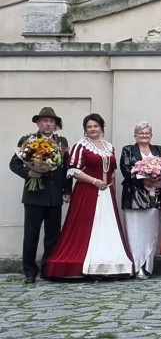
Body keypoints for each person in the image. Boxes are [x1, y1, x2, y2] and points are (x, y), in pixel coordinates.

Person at [44, 113, 134, 279]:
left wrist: (109, 186)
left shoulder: (109, 147)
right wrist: (95, 182)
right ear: (85, 130)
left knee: (107, 227)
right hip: (87, 192)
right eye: (89, 127)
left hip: (107, 193)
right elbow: (74, 171)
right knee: (85, 227)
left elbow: (111, 170)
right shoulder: (81, 146)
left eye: (95, 126)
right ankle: (86, 262)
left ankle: (109, 262)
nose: (93, 129)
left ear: (101, 127)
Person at [11, 106, 70, 283]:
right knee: (31, 235)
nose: (48, 124)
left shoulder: (61, 141)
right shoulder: (28, 139)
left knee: (53, 235)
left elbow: (67, 167)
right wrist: (29, 173)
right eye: (44, 121)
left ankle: (48, 269)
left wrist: (67, 190)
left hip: (54, 197)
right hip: (34, 196)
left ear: (55, 124)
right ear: (38, 122)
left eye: (51, 121)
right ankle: (29, 271)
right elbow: (15, 164)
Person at [119, 121, 161, 279]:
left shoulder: (158, 150)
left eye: (147, 133)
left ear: (151, 135)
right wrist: (143, 181)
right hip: (134, 197)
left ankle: (147, 266)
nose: (144, 135)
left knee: (150, 232)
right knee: (135, 233)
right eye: (141, 133)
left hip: (154, 197)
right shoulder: (128, 150)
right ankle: (135, 265)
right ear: (135, 135)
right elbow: (126, 170)